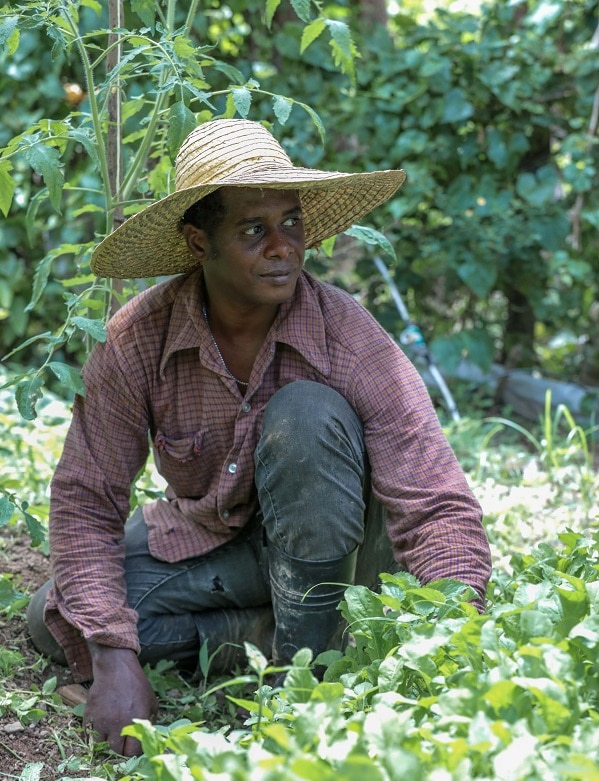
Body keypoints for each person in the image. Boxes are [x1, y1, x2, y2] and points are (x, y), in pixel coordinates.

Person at [27, 118, 492, 757]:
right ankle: (267, 636)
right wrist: (110, 656)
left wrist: (456, 634)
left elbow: (435, 498)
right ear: (199, 242)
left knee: (304, 415)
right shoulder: (138, 339)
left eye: (292, 223)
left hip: (342, 555)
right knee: (56, 620)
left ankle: (302, 673)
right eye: (253, 230)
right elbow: (87, 498)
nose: (283, 247)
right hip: (217, 543)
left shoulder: (346, 335)